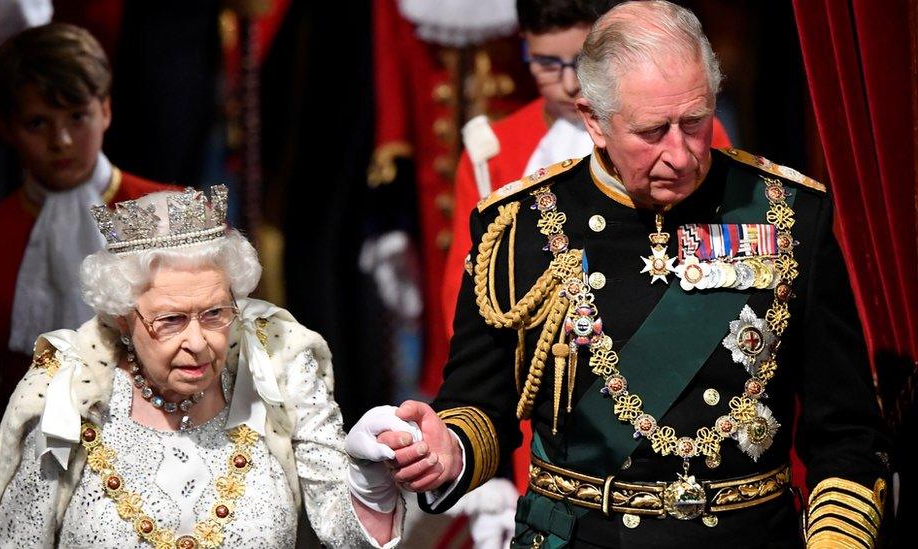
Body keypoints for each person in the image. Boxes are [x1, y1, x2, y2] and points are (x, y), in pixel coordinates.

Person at [375, 2, 889, 547]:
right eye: (652, 130)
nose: (682, 155)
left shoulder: (787, 214)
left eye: (695, 122)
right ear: (593, 119)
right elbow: (480, 402)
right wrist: (450, 447)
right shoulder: (521, 225)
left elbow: (847, 431)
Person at [0, 187, 404, 547]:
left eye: (215, 313)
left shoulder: (280, 364)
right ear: (123, 317)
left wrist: (368, 478)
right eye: (170, 320)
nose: (197, 342)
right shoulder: (70, 394)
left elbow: (349, 538)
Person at [0, 22, 173, 512]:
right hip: (36, 487)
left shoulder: (169, 215)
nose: (63, 140)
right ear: (5, 128)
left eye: (78, 116)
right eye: (38, 123)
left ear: (106, 109)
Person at [441, 0, 734, 345]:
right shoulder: (493, 151)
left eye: (582, 63)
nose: (568, 83)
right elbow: (473, 295)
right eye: (547, 64)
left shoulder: (689, 133)